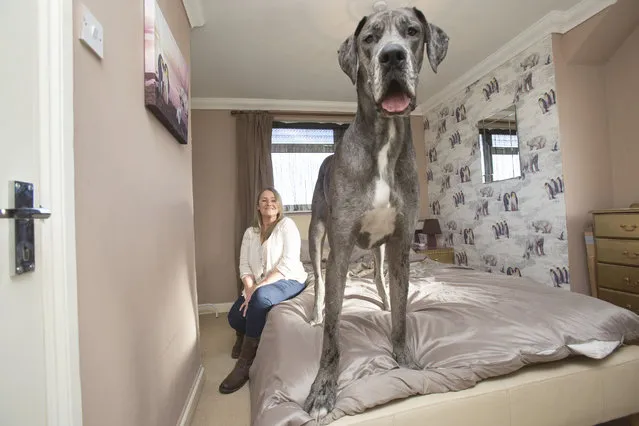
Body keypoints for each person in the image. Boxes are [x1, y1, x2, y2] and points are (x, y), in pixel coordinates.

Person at [219, 187, 308, 394]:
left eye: (273, 200)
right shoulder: (251, 233)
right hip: (257, 283)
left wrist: (257, 289)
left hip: (288, 279)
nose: (269, 203)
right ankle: (241, 335)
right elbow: (244, 265)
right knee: (234, 318)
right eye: (264, 200)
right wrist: (249, 287)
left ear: (278, 206)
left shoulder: (287, 226)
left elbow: (287, 263)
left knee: (260, 298)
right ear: (258, 206)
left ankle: (245, 364)